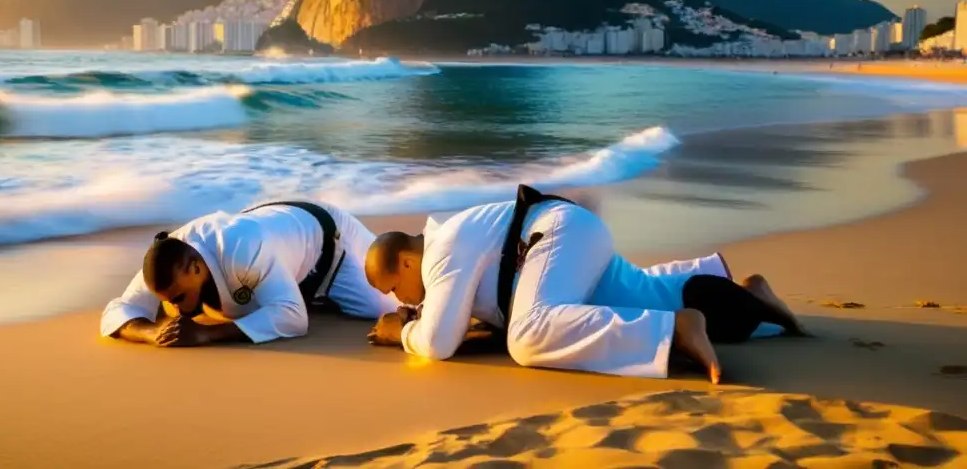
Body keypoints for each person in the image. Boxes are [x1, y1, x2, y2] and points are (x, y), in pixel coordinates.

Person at [363, 185, 805, 383]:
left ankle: (675, 332)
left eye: (392, 287)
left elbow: (439, 341)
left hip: (552, 234)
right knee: (650, 295)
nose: (395, 298)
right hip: (566, 240)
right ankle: (750, 300)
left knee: (529, 335)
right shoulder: (450, 247)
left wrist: (399, 332)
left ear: (406, 262)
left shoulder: (441, 252)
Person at [101, 200, 400, 347]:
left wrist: (207, 333)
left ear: (196, 267)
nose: (176, 308)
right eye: (169, 301)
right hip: (271, 220)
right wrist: (151, 333)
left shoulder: (243, 249)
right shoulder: (168, 257)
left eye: (179, 298)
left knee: (389, 300)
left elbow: (294, 318)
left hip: (330, 241)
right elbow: (119, 309)